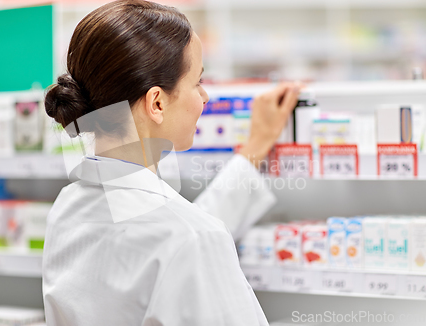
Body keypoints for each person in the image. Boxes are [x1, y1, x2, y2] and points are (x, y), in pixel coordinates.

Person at [42, 0, 300, 325]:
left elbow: (170, 234)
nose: (204, 98)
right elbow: (185, 238)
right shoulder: (188, 237)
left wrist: (256, 146)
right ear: (157, 102)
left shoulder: (67, 210)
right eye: (198, 82)